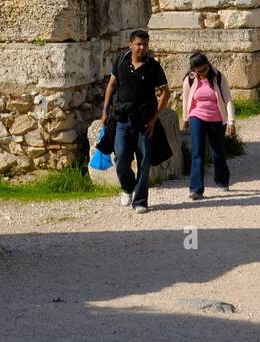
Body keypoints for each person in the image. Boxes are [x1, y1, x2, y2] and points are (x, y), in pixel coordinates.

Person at [101, 29, 170, 214]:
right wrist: (105, 110)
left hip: (145, 121)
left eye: (145, 44)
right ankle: (127, 188)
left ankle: (140, 201)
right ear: (130, 44)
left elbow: (166, 93)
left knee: (144, 161)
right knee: (121, 158)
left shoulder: (153, 66)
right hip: (122, 119)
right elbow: (112, 85)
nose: (142, 47)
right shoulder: (121, 61)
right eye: (139, 44)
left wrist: (155, 119)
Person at [182, 52, 237, 200]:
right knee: (197, 152)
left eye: (204, 69)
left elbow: (228, 100)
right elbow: (186, 98)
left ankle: (222, 180)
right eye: (198, 71)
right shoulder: (190, 79)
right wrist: (186, 118)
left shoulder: (218, 76)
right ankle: (196, 189)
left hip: (216, 118)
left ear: (208, 65)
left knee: (218, 152)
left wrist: (231, 121)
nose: (202, 74)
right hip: (196, 116)